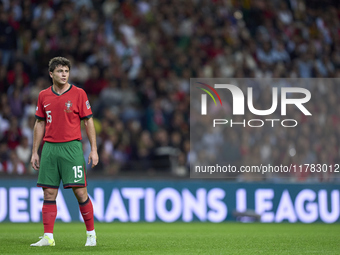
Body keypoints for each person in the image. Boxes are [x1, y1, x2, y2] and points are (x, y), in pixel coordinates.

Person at [30, 57, 99, 247]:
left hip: (72, 148)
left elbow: (88, 121)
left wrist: (93, 149)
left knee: (80, 192)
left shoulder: (79, 93)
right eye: (60, 71)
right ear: (51, 74)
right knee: (49, 194)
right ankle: (48, 237)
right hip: (50, 148)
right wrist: (35, 151)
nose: (64, 74)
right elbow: (40, 122)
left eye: (66, 71)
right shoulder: (43, 95)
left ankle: (91, 234)